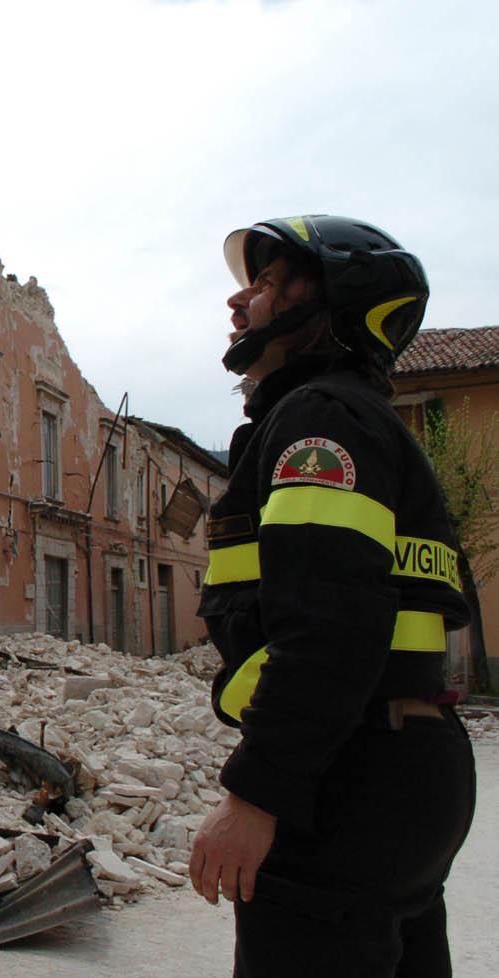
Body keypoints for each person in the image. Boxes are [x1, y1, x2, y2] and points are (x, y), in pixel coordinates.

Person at [190, 215, 476, 977]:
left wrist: (257, 796)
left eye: (269, 281)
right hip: (403, 767)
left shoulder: (320, 424)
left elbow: (328, 629)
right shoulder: (356, 420)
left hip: (349, 778)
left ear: (328, 309)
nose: (239, 300)